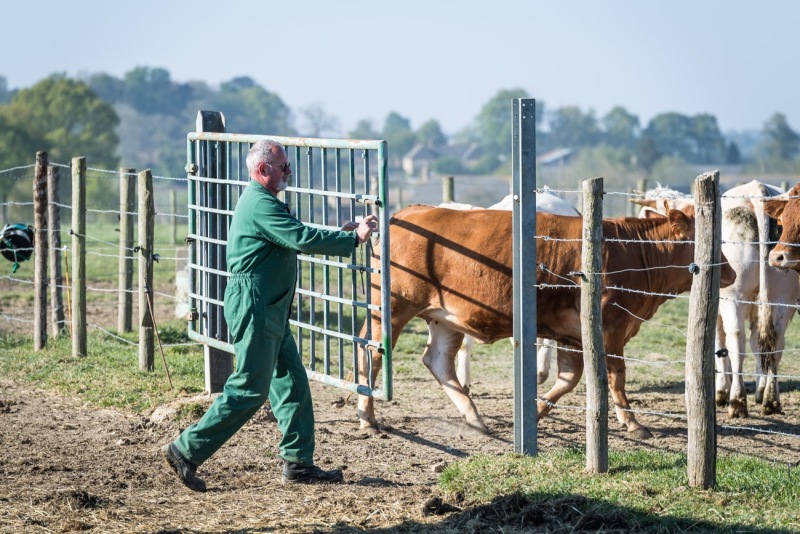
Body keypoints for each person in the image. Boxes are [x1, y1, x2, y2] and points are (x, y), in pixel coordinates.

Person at [163, 139, 378, 491]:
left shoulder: (265, 202)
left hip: (269, 305)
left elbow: (295, 236)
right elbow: (300, 237)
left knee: (291, 382)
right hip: (257, 305)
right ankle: (185, 450)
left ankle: (298, 463)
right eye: (283, 167)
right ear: (263, 170)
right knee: (249, 388)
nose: (289, 172)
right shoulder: (261, 203)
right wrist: (354, 239)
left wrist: (340, 233)